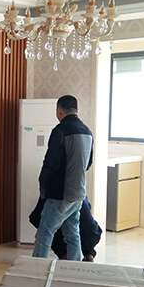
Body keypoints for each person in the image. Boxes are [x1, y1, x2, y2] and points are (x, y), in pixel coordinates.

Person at [31, 95, 93, 261]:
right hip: (79, 193)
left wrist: (43, 186)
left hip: (60, 194)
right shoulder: (87, 131)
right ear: (77, 110)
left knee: (45, 232)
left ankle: (36, 269)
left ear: (59, 110)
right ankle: (74, 269)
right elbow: (88, 163)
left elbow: (50, 163)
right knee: (72, 234)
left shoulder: (60, 130)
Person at [28, 196, 102, 261]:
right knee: (72, 231)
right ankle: (76, 262)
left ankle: (39, 264)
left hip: (60, 193)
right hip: (78, 193)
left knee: (45, 230)